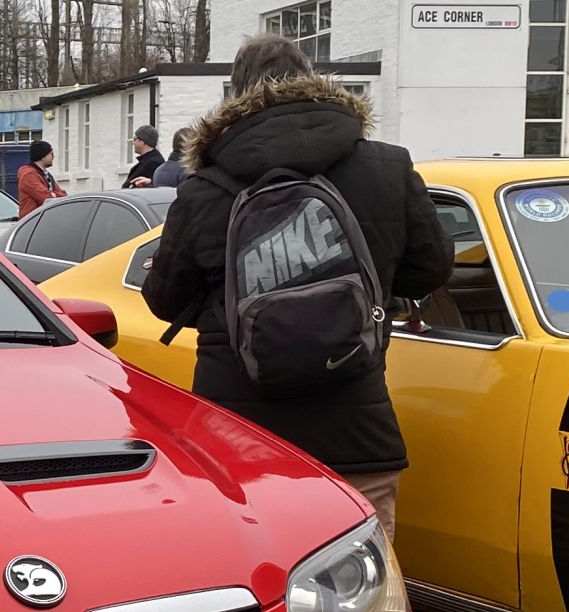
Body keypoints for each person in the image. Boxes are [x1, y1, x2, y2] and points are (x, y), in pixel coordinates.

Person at [142, 34, 451, 538]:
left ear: (235, 95)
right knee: (361, 604)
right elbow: (432, 269)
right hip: (357, 432)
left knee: (250, 592)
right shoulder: (388, 166)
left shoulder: (203, 188)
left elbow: (163, 300)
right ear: (314, 80)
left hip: (237, 438)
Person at [17, 140, 66, 218]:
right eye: (51, 154)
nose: (53, 157)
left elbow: (63, 195)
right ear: (43, 156)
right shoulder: (28, 175)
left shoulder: (45, 174)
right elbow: (45, 198)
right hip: (31, 223)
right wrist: (52, 195)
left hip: (42, 221)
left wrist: (54, 195)